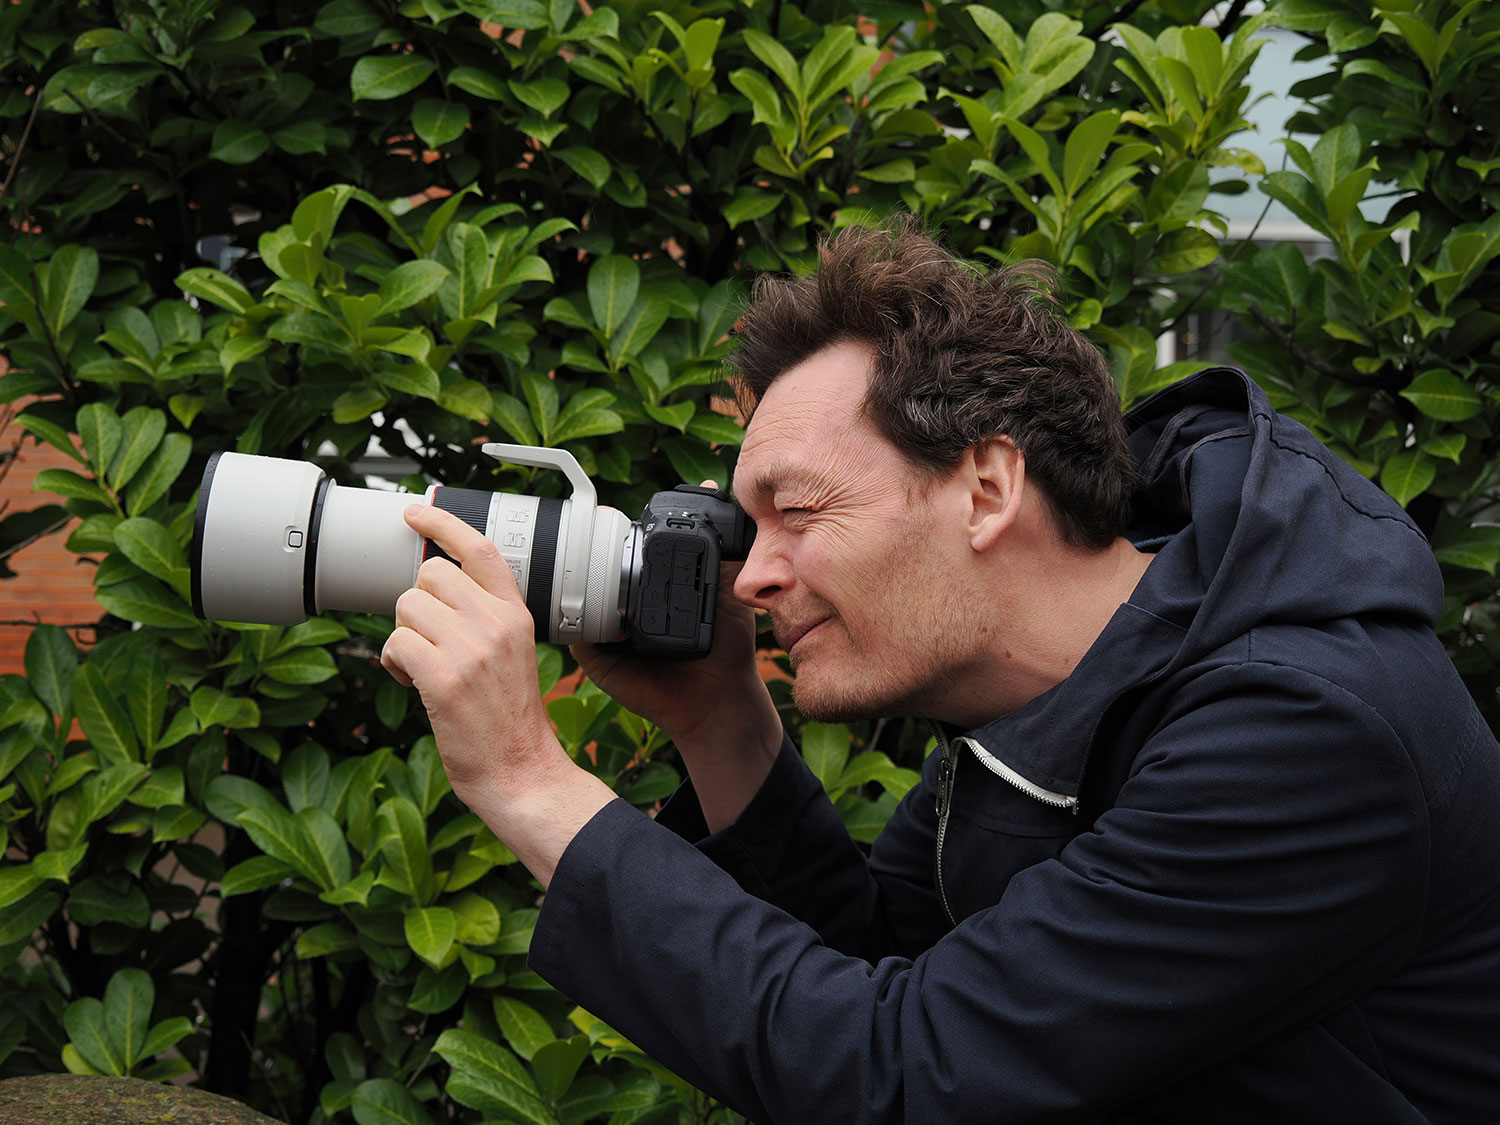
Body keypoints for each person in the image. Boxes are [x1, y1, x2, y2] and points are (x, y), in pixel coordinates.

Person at [380, 220, 1500, 1122]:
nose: (750, 577)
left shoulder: (1300, 732)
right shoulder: (1043, 709)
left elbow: (908, 1077)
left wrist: (529, 780)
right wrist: (722, 722)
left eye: (797, 512)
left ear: (987, 489)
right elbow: (879, 960)